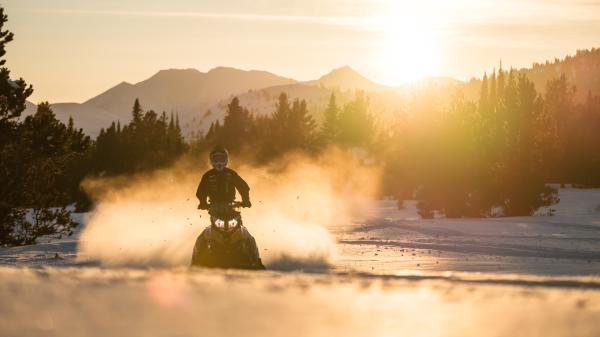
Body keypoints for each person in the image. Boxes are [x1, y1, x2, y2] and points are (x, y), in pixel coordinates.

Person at [196, 145, 251, 210]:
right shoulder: (207, 175)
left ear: (226, 159)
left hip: (230, 206)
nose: (219, 162)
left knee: (237, 218)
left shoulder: (231, 173)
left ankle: (239, 220)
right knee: (215, 219)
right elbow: (201, 191)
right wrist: (203, 202)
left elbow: (243, 187)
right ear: (211, 160)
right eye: (216, 160)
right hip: (214, 208)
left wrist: (246, 199)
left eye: (221, 159)